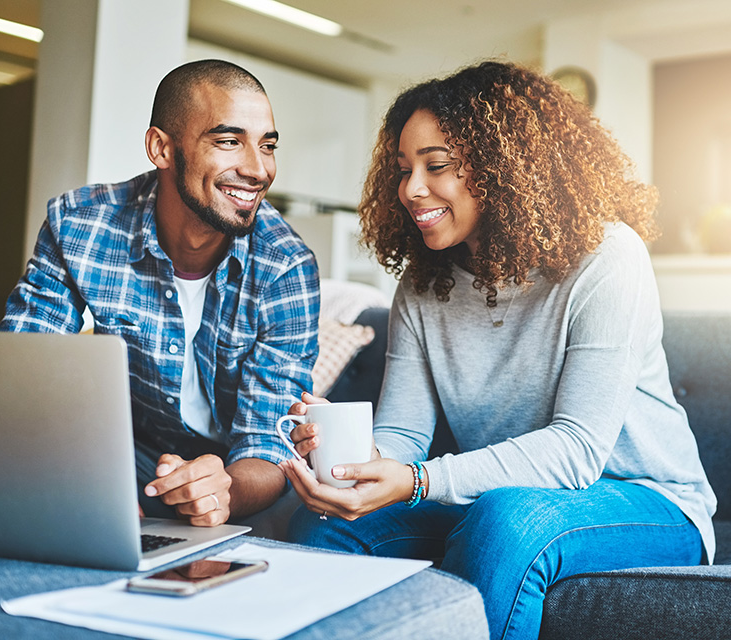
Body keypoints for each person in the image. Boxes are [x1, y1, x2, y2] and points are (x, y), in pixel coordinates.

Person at [280, 61, 716, 640]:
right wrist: (348, 459)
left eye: (436, 166)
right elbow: (403, 437)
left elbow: (575, 451)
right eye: (403, 169)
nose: (411, 189)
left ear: (505, 169)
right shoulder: (422, 282)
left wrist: (417, 482)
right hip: (500, 498)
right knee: (325, 529)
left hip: (650, 502)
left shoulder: (608, 258)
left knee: (510, 518)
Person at [0, 59, 320, 527]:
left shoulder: (285, 265)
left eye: (267, 146)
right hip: (130, 451)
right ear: (161, 148)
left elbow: (268, 446)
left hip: (237, 469)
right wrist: (83, 473)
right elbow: (21, 371)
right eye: (229, 141)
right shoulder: (81, 224)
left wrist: (220, 490)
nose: (257, 169)